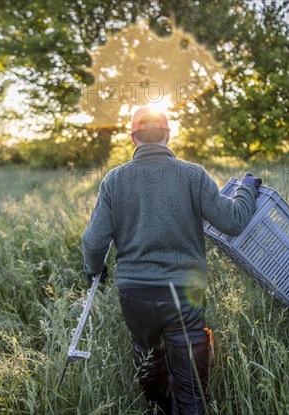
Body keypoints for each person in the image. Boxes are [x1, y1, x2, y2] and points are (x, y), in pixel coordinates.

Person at [82, 105, 261, 414]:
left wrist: (94, 270)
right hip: (183, 294)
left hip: (134, 294)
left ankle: (157, 404)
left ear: (133, 139)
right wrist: (247, 190)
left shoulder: (114, 180)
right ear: (168, 135)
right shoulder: (193, 174)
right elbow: (233, 221)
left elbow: (94, 241)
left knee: (147, 354)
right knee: (190, 385)